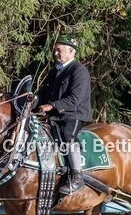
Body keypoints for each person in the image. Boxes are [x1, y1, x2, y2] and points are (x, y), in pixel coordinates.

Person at [36, 35, 93, 194]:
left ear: (71, 51)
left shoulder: (79, 70)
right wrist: (32, 100)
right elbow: (43, 96)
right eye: (55, 50)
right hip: (54, 115)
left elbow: (74, 99)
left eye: (59, 50)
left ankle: (77, 177)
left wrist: (52, 105)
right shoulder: (54, 71)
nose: (55, 53)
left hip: (74, 114)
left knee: (68, 136)